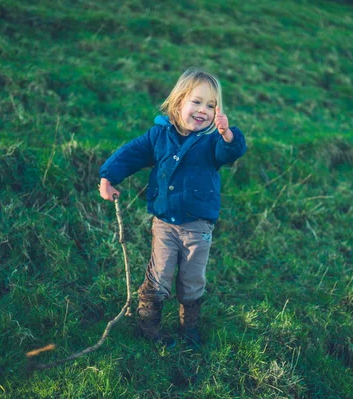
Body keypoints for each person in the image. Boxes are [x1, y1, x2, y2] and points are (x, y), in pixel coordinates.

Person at [98, 67, 247, 348]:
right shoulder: (159, 135)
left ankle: (189, 327)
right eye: (197, 101)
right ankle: (148, 328)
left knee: (192, 279)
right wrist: (108, 176)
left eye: (211, 105)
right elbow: (131, 153)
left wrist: (228, 135)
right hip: (165, 223)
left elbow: (231, 152)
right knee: (160, 274)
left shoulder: (214, 140)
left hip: (198, 226)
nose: (203, 110)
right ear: (179, 102)